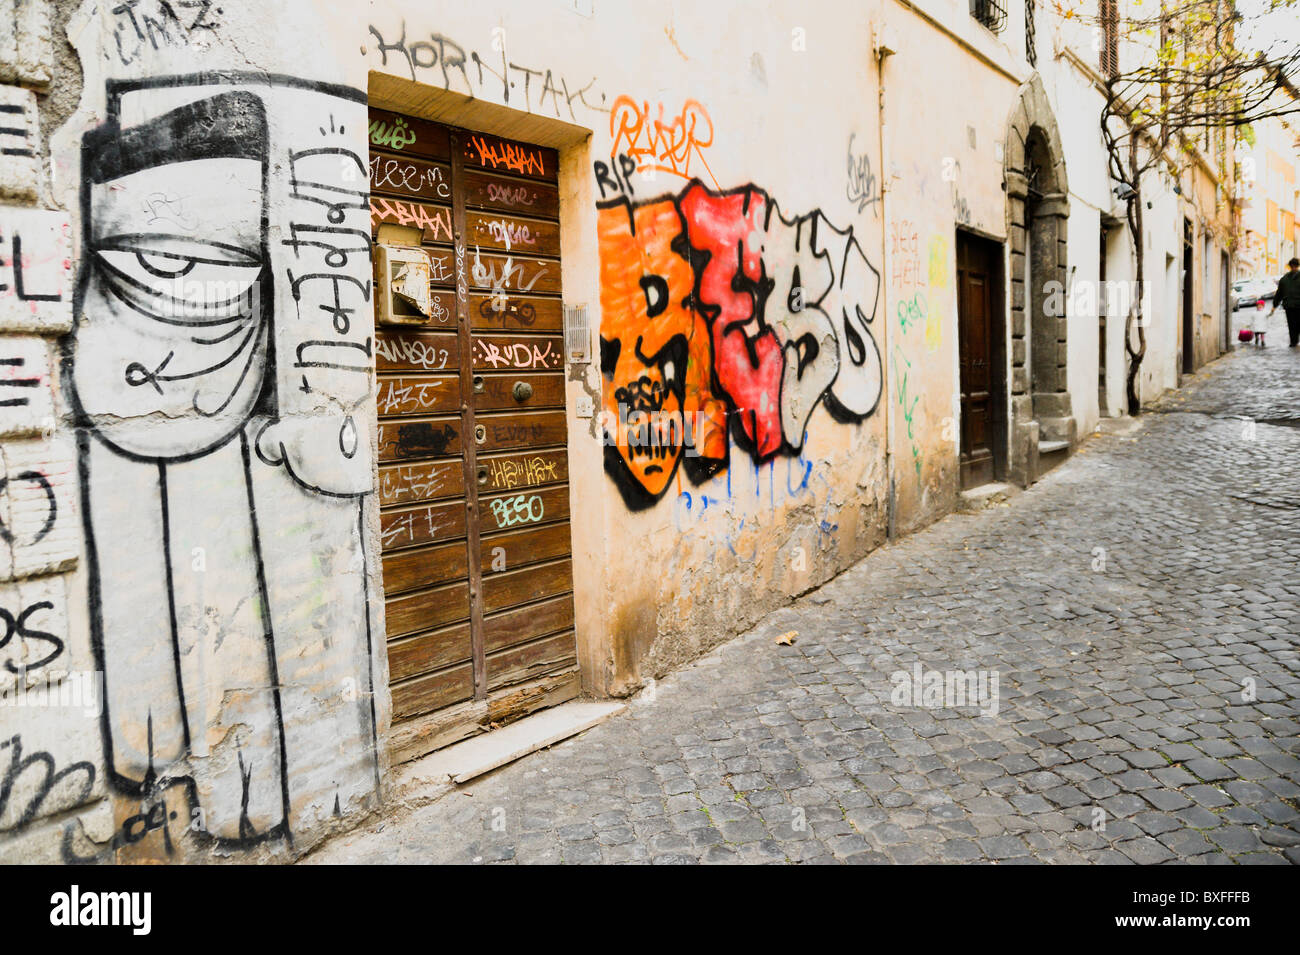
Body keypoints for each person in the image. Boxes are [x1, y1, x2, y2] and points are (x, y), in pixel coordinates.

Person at [1273, 257, 1300, 347]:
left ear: (1297, 266)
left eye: (1295, 266)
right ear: (1290, 266)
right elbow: (1279, 293)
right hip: (1289, 306)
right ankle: (1293, 341)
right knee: (1291, 325)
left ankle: (1295, 340)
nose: (1293, 268)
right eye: (1292, 266)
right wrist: (1275, 304)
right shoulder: (1284, 279)